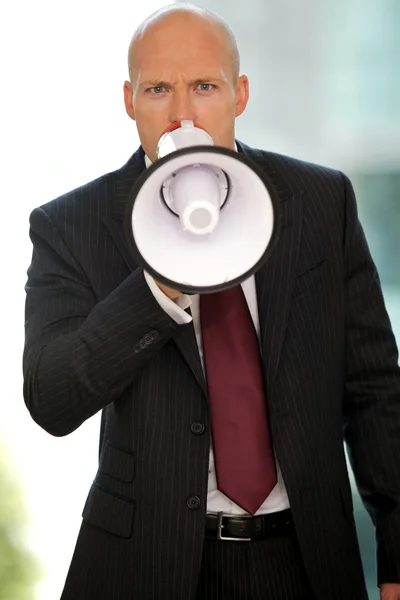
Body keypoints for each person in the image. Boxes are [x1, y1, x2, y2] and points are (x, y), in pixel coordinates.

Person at [23, 4, 400, 600]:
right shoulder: (71, 225)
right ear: (128, 100)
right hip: (146, 566)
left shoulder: (321, 202)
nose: (181, 112)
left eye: (204, 86)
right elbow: (52, 398)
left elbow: (377, 392)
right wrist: (159, 284)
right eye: (157, 89)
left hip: (304, 562)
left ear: (239, 93)